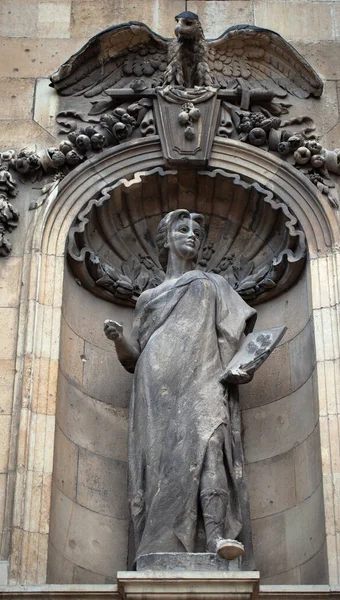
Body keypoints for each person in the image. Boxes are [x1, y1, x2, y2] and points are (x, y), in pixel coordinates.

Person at [104, 209, 257, 566]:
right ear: (166, 240)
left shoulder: (214, 282)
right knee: (161, 462)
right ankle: (160, 544)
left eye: (195, 232)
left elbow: (239, 334)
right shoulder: (149, 297)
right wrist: (117, 339)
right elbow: (135, 356)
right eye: (182, 229)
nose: (191, 235)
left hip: (205, 372)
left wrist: (245, 364)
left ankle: (217, 535)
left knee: (213, 443)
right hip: (157, 383)